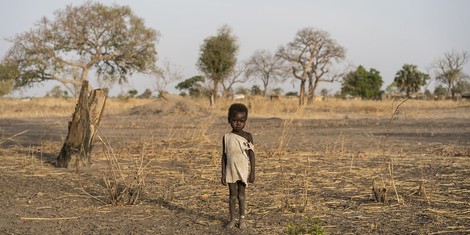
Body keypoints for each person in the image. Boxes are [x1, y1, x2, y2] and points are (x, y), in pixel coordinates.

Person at [221, 103, 256, 229]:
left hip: (243, 170)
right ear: (229, 120)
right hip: (231, 170)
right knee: (232, 196)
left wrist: (252, 172)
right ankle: (232, 219)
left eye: (242, 121)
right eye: (235, 120)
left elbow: (252, 155)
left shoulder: (248, 136)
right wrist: (223, 174)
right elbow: (224, 156)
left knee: (241, 195)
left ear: (245, 121)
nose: (238, 123)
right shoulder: (226, 138)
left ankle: (242, 219)